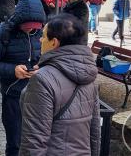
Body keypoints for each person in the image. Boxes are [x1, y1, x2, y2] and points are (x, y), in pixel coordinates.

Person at [19, 13, 100, 156]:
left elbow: (34, 141)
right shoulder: (90, 75)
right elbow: (94, 131)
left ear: (54, 42)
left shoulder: (42, 80)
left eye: (43, 36)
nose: (40, 39)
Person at [0, 0, 45, 156]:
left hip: (40, 96)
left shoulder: (41, 33)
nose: (31, 29)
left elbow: (49, 58)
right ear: (19, 19)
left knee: (37, 142)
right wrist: (13, 70)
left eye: (35, 26)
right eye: (27, 26)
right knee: (15, 143)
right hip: (13, 96)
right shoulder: (1, 33)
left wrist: (42, 67)